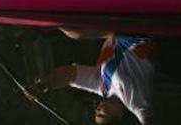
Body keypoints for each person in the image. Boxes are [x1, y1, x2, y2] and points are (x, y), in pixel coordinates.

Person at [26, 31, 155, 124]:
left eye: (96, 113)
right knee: (74, 33)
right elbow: (146, 120)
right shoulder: (136, 102)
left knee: (74, 32)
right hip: (135, 32)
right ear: (119, 115)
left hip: (115, 31)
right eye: (101, 115)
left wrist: (41, 86)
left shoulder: (102, 88)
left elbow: (69, 75)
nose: (97, 109)